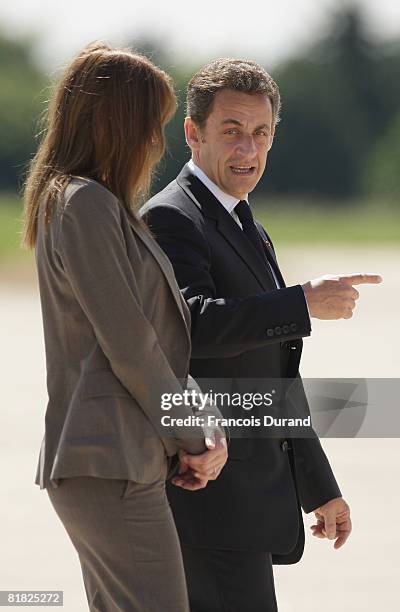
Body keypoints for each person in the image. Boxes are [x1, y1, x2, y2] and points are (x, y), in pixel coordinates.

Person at [140, 58, 382, 611]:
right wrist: (301, 302)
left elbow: (272, 377)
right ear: (192, 134)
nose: (247, 150)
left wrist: (318, 485)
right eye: (231, 132)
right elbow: (190, 329)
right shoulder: (172, 217)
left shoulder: (243, 222)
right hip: (207, 500)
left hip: (246, 504)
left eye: (260, 133)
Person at [22, 43, 227, 612]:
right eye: (151, 125)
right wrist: (193, 436)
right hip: (108, 460)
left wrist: (200, 426)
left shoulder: (88, 202)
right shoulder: (83, 203)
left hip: (116, 459)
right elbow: (131, 345)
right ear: (119, 123)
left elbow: (154, 341)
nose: (156, 143)